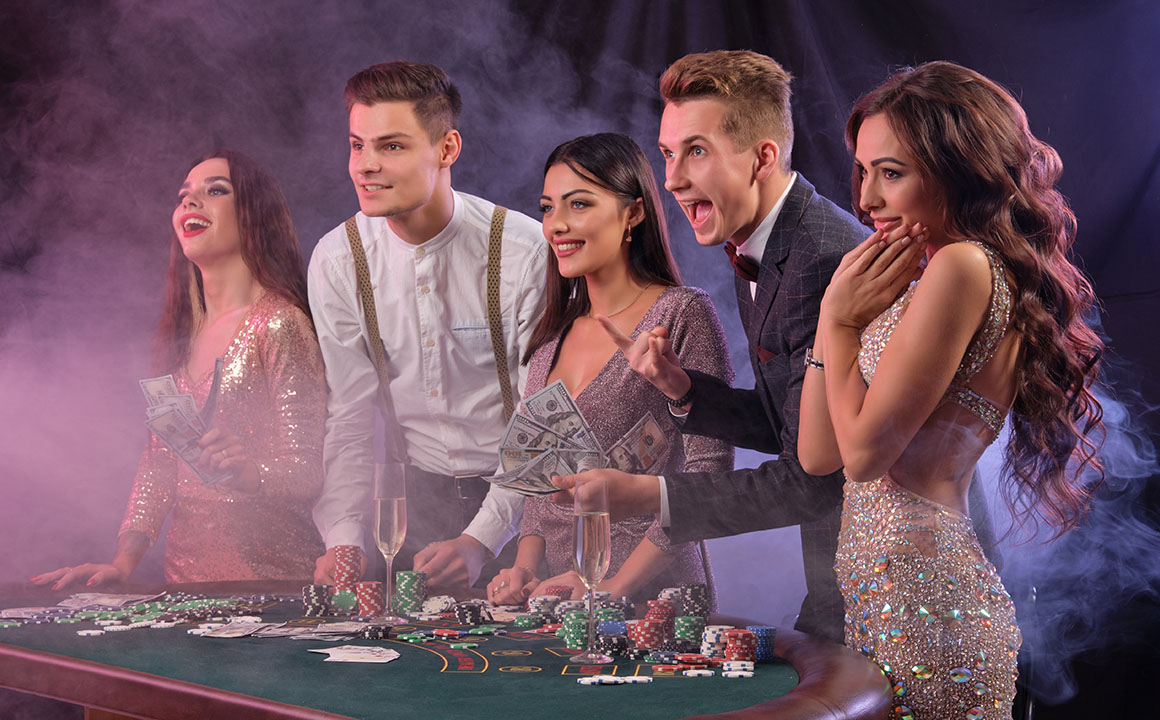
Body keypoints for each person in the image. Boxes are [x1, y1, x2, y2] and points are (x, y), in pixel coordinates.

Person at [798, 61, 1104, 719]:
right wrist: (834, 316)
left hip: (932, 614)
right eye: (863, 171)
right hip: (887, 609)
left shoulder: (964, 267)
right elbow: (817, 454)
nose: (866, 200)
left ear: (957, 171)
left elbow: (864, 458)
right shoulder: (925, 278)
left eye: (892, 173)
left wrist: (842, 320)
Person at [32, 150, 326, 587]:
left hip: (272, 591)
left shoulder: (280, 323)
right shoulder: (181, 337)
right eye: (184, 195)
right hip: (184, 593)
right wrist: (123, 563)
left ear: (254, 214)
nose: (190, 202)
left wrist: (250, 472)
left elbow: (309, 471)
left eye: (215, 191)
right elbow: (158, 465)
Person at [308, 61, 547, 588]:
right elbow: (348, 419)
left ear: (447, 149)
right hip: (412, 508)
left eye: (390, 146)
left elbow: (541, 424)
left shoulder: (525, 250)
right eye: (356, 145)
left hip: (529, 512)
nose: (364, 166)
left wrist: (480, 539)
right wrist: (345, 540)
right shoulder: (337, 259)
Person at [485, 134, 733, 605]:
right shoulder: (551, 336)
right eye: (547, 208)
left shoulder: (681, 313)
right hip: (562, 602)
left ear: (633, 214)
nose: (557, 225)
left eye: (578, 204)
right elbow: (541, 488)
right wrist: (522, 569)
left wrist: (611, 586)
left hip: (656, 601)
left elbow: (708, 477)